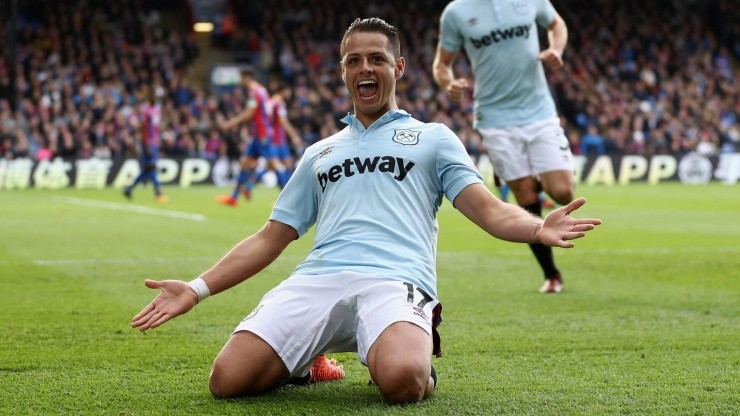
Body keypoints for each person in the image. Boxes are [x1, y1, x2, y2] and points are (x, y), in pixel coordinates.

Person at [131, 17, 600, 404]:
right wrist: (195, 289)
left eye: (377, 58)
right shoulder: (319, 152)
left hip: (395, 280)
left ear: (398, 67)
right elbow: (269, 238)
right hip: (318, 278)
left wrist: (537, 227)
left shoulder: (433, 138)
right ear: (343, 72)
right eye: (354, 60)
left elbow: (490, 211)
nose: (365, 68)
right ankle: (308, 363)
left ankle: (406, 354)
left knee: (403, 382)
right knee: (227, 381)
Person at [433, 0, 575, 293]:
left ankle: (511, 172)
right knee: (523, 193)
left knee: (563, 192)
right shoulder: (457, 12)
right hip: (495, 117)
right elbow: (441, 64)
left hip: (539, 110)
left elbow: (557, 24)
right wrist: (448, 84)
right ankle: (552, 274)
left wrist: (555, 50)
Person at [216, 67, 289, 206]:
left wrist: (229, 124)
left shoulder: (254, 92)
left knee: (274, 164)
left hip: (262, 135)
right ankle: (234, 198)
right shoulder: (262, 90)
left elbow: (249, 113)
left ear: (247, 77)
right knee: (245, 163)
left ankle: (289, 200)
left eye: (241, 78)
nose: (240, 81)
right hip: (259, 135)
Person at [123, 86, 169, 203]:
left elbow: (156, 127)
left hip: (153, 142)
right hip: (148, 143)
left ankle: (129, 189)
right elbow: (144, 129)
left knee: (148, 169)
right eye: (154, 96)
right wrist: (147, 144)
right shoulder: (147, 111)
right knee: (152, 167)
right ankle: (158, 193)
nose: (156, 98)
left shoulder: (157, 109)